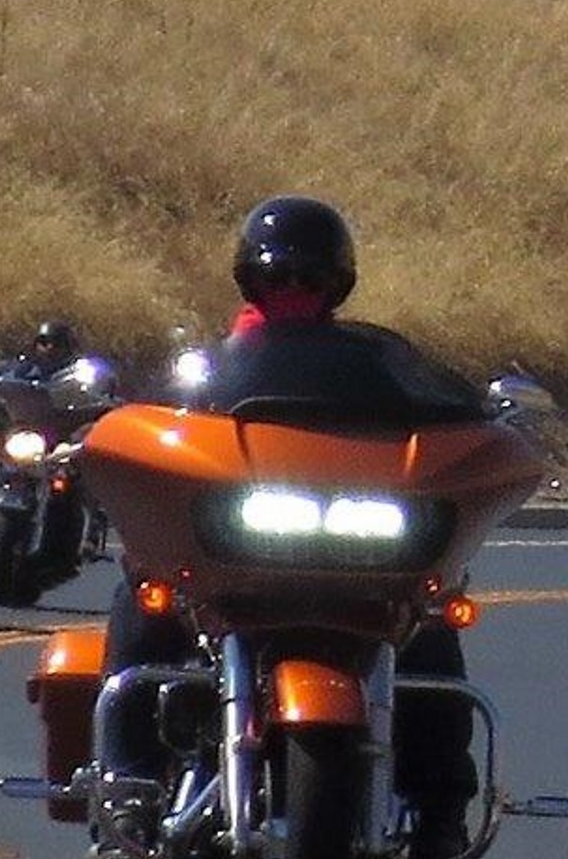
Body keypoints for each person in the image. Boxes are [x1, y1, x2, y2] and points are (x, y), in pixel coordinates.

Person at [98, 196, 476, 859]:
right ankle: (128, 784)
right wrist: (116, 426)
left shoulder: (376, 369)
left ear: (337, 285)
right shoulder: (208, 369)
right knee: (143, 592)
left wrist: (483, 421)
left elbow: (444, 410)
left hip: (359, 564)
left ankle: (442, 810)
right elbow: (151, 418)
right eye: (279, 276)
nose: (294, 289)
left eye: (310, 278)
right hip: (234, 559)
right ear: (252, 280)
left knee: (433, 623)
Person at [0, 320, 80, 382]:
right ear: (36, 344)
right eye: (44, 342)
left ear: (68, 347)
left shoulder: (77, 372)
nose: (50, 347)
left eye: (57, 342)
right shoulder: (23, 369)